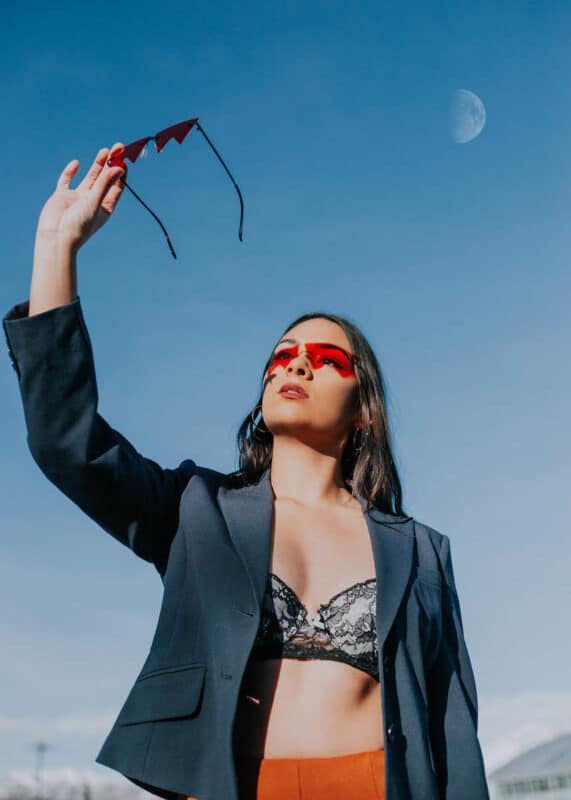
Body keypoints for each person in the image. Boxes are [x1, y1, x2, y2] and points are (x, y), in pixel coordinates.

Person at [3, 146, 490, 800]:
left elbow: (450, 727)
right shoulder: (196, 509)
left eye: (325, 358)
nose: (296, 366)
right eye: (283, 355)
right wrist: (56, 246)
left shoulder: (423, 551)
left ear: (365, 412)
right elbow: (65, 442)